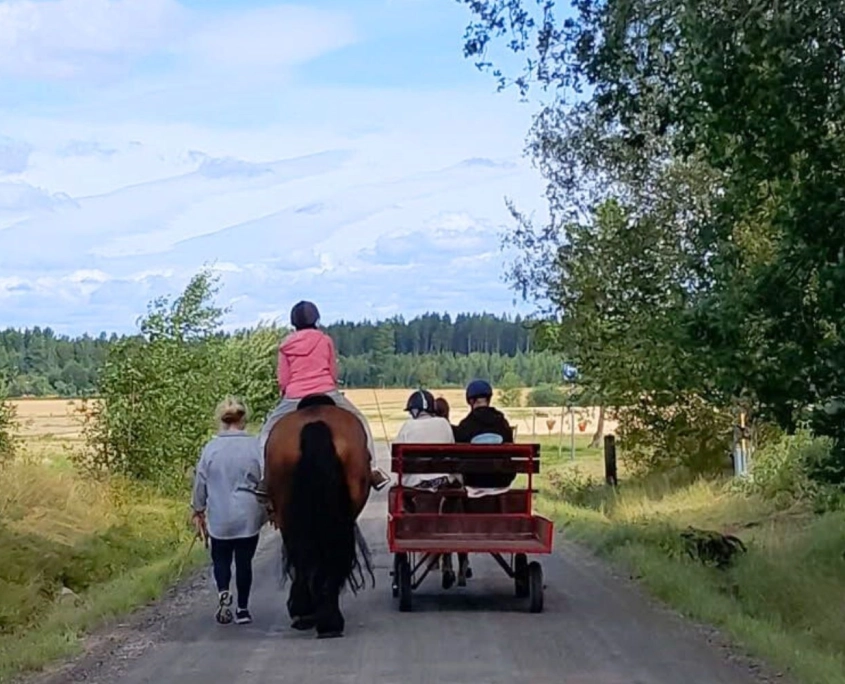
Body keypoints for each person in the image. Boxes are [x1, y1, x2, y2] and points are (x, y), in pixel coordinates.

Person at [258, 300, 390, 490]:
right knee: (361, 422)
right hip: (326, 389)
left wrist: (286, 393)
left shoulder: (285, 345)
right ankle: (373, 470)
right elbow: (332, 371)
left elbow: (283, 379)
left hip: (295, 396)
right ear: (316, 319)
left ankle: (265, 478)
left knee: (266, 433)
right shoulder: (325, 340)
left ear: (294, 322)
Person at [191, 397, 267, 625]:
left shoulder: (211, 448)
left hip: (219, 516)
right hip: (247, 515)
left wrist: (198, 508)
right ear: (243, 419)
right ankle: (243, 609)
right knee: (244, 562)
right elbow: (264, 480)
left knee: (220, 559)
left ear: (222, 421)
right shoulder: (255, 446)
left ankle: (223, 592)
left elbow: (200, 481)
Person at [393, 389, 462, 589]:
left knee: (398, 490)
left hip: (417, 484)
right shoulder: (443, 424)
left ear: (414, 411)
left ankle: (412, 519)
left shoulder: (407, 426)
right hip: (442, 482)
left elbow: (397, 460)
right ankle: (446, 555)